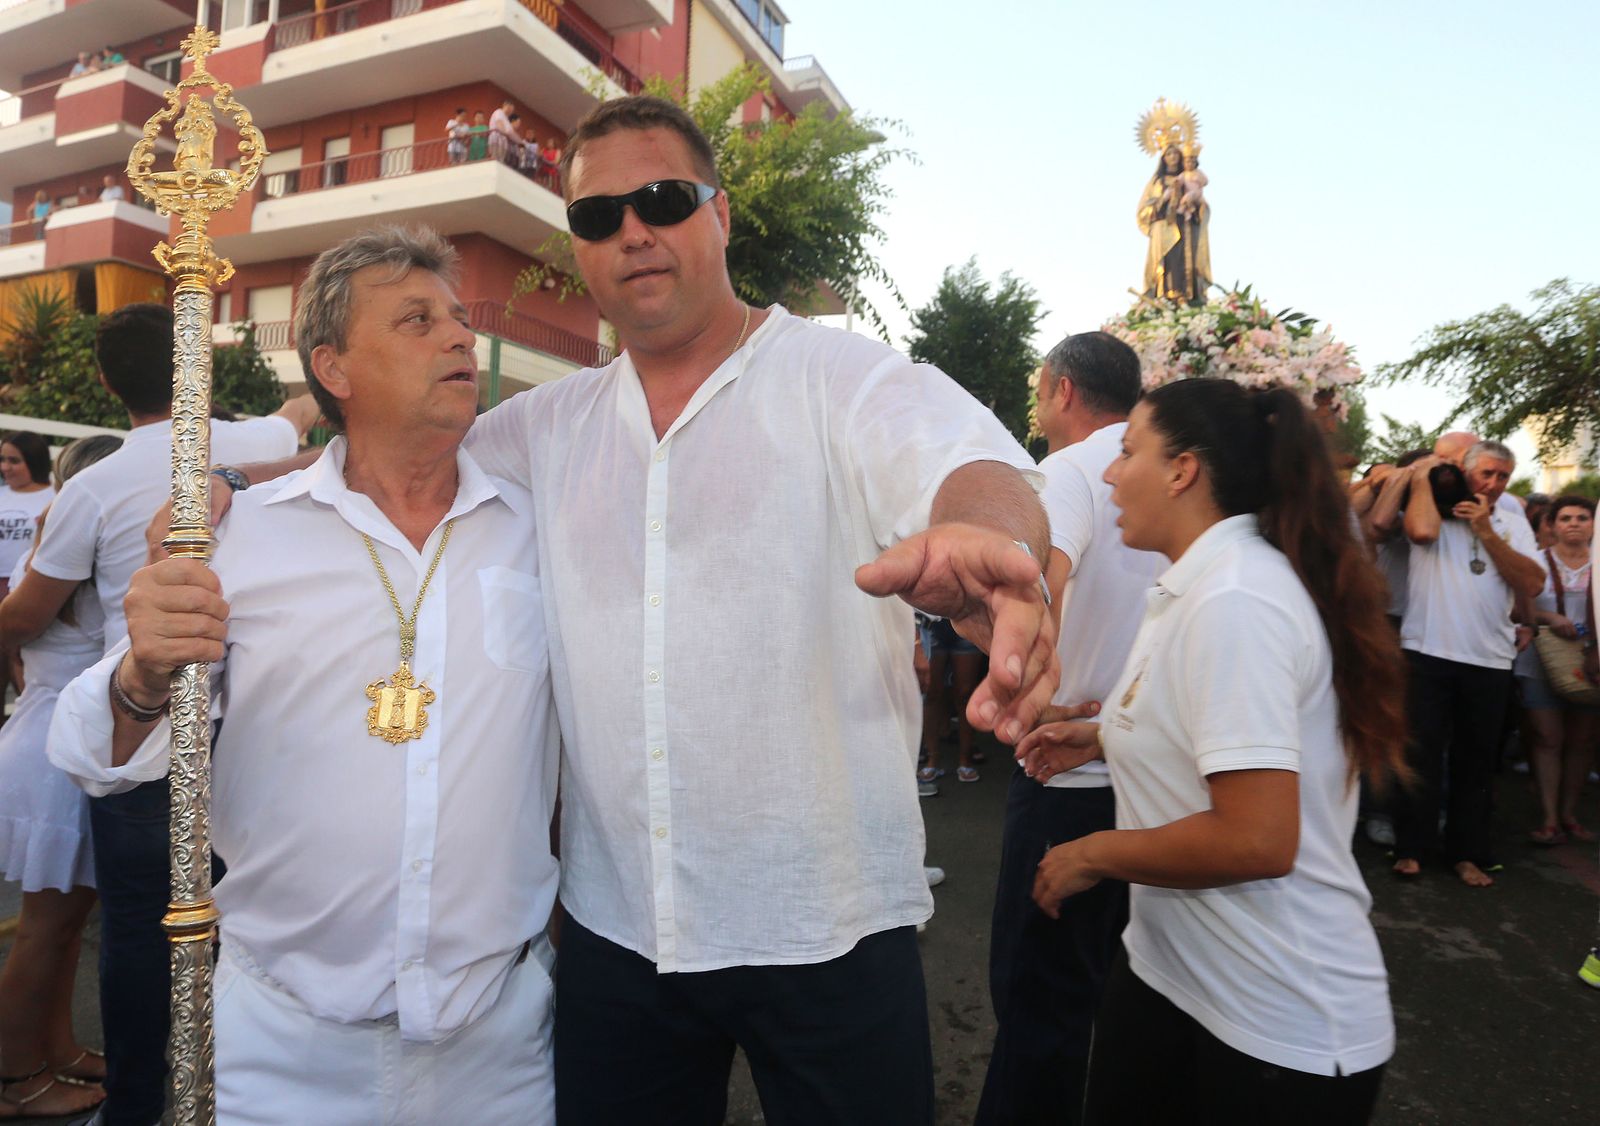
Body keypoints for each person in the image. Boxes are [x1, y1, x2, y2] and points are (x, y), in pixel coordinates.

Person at [458, 95, 1056, 1124]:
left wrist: (985, 541)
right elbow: (403, 473)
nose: (632, 231)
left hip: (826, 922)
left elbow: (972, 461)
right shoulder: (541, 427)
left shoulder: (836, 376)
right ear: (579, 249)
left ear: (720, 215)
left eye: (662, 199)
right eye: (600, 217)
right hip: (618, 928)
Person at [49, 227, 559, 1124]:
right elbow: (96, 750)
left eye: (454, 319)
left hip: (501, 1045)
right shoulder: (240, 538)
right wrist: (142, 671)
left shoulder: (539, 527)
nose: (458, 339)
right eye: (415, 320)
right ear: (334, 366)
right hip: (282, 1044)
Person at [1018, 379, 1408, 1125]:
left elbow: (1257, 839)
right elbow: (1220, 725)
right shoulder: (1201, 584)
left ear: (1182, 470)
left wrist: (1090, 854)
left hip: (1274, 1024)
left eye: (1128, 452)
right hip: (1176, 978)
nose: (1107, 473)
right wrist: (1108, 736)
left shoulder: (1237, 598)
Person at [0, 305, 315, 1126]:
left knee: (139, 930)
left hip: (135, 715)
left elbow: (27, 616)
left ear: (107, 382)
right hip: (243, 717)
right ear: (197, 372)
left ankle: (141, 1102)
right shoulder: (259, 446)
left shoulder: (95, 484)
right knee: (242, 921)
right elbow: (306, 415)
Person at [976, 332, 1162, 1126]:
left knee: (1038, 999)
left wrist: (1026, 690)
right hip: (1165, 782)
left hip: (1071, 775)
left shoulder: (1073, 470)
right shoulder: (1188, 472)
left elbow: (1033, 595)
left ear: (1060, 390)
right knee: (1133, 996)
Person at [0, 435, 122, 1122]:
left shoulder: (57, 551)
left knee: (67, 922)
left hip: (55, 742)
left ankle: (58, 1049)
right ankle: (17, 1078)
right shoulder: (71, 562)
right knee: (45, 928)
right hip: (54, 756)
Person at [1392, 440, 1544, 886]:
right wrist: (1426, 477)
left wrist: (1487, 531)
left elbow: (1532, 583)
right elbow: (1418, 533)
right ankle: (1410, 848)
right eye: (1486, 474)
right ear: (1465, 473)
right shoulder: (1433, 512)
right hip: (1427, 650)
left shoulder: (1512, 524)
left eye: (1502, 477)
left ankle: (1467, 853)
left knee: (1476, 763)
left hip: (1490, 659)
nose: (1494, 485)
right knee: (1421, 753)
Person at [1517, 494, 1597, 845]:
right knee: (1547, 738)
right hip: (1542, 660)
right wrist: (1549, 617)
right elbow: (1515, 610)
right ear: (1552, 524)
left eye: (1582, 517)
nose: (1574, 524)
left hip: (1592, 662)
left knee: (1582, 741)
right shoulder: (1534, 562)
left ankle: (1568, 813)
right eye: (1566, 518)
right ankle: (1549, 817)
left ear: (1594, 524)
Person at [1138, 144, 1210, 303]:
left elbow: (1201, 202)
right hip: (1164, 226)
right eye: (1169, 154)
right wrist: (1162, 203)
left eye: (1175, 153)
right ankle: (1165, 295)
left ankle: (1188, 295)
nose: (1173, 157)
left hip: (1186, 225)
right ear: (1163, 158)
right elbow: (1144, 210)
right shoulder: (1157, 182)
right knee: (1167, 261)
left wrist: (1197, 205)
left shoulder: (1188, 177)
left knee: (1186, 258)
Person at [917, 615, 984, 784]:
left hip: (967, 621)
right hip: (930, 624)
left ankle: (965, 760)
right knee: (931, 693)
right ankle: (932, 760)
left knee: (965, 695)